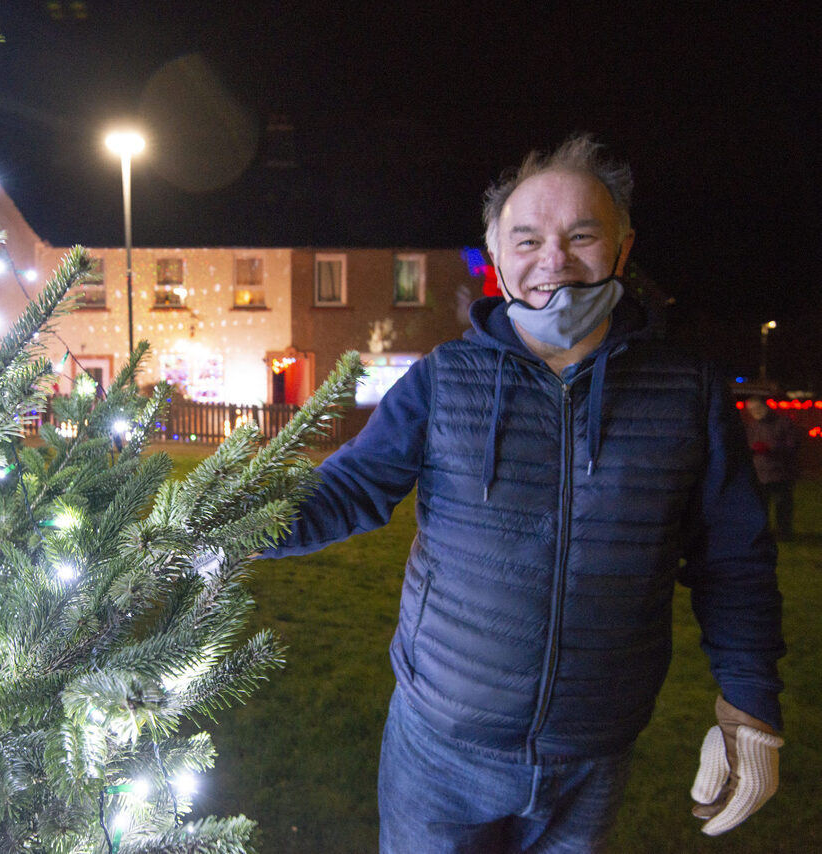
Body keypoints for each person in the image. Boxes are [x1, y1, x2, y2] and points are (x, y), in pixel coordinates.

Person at [265, 135, 785, 853]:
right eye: (528, 237)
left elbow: (733, 561)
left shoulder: (686, 392)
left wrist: (749, 708)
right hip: (438, 751)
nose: (553, 260)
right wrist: (217, 521)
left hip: (592, 758)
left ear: (622, 250)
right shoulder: (443, 379)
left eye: (581, 235)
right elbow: (349, 489)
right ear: (495, 252)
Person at [743, 395, 801, 540]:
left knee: (783, 504)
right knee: (761, 505)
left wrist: (770, 448)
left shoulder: (783, 423)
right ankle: (763, 531)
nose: (755, 411)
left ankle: (784, 532)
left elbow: (792, 445)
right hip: (760, 473)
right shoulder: (753, 426)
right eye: (751, 409)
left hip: (781, 471)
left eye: (757, 408)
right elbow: (747, 446)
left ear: (766, 406)